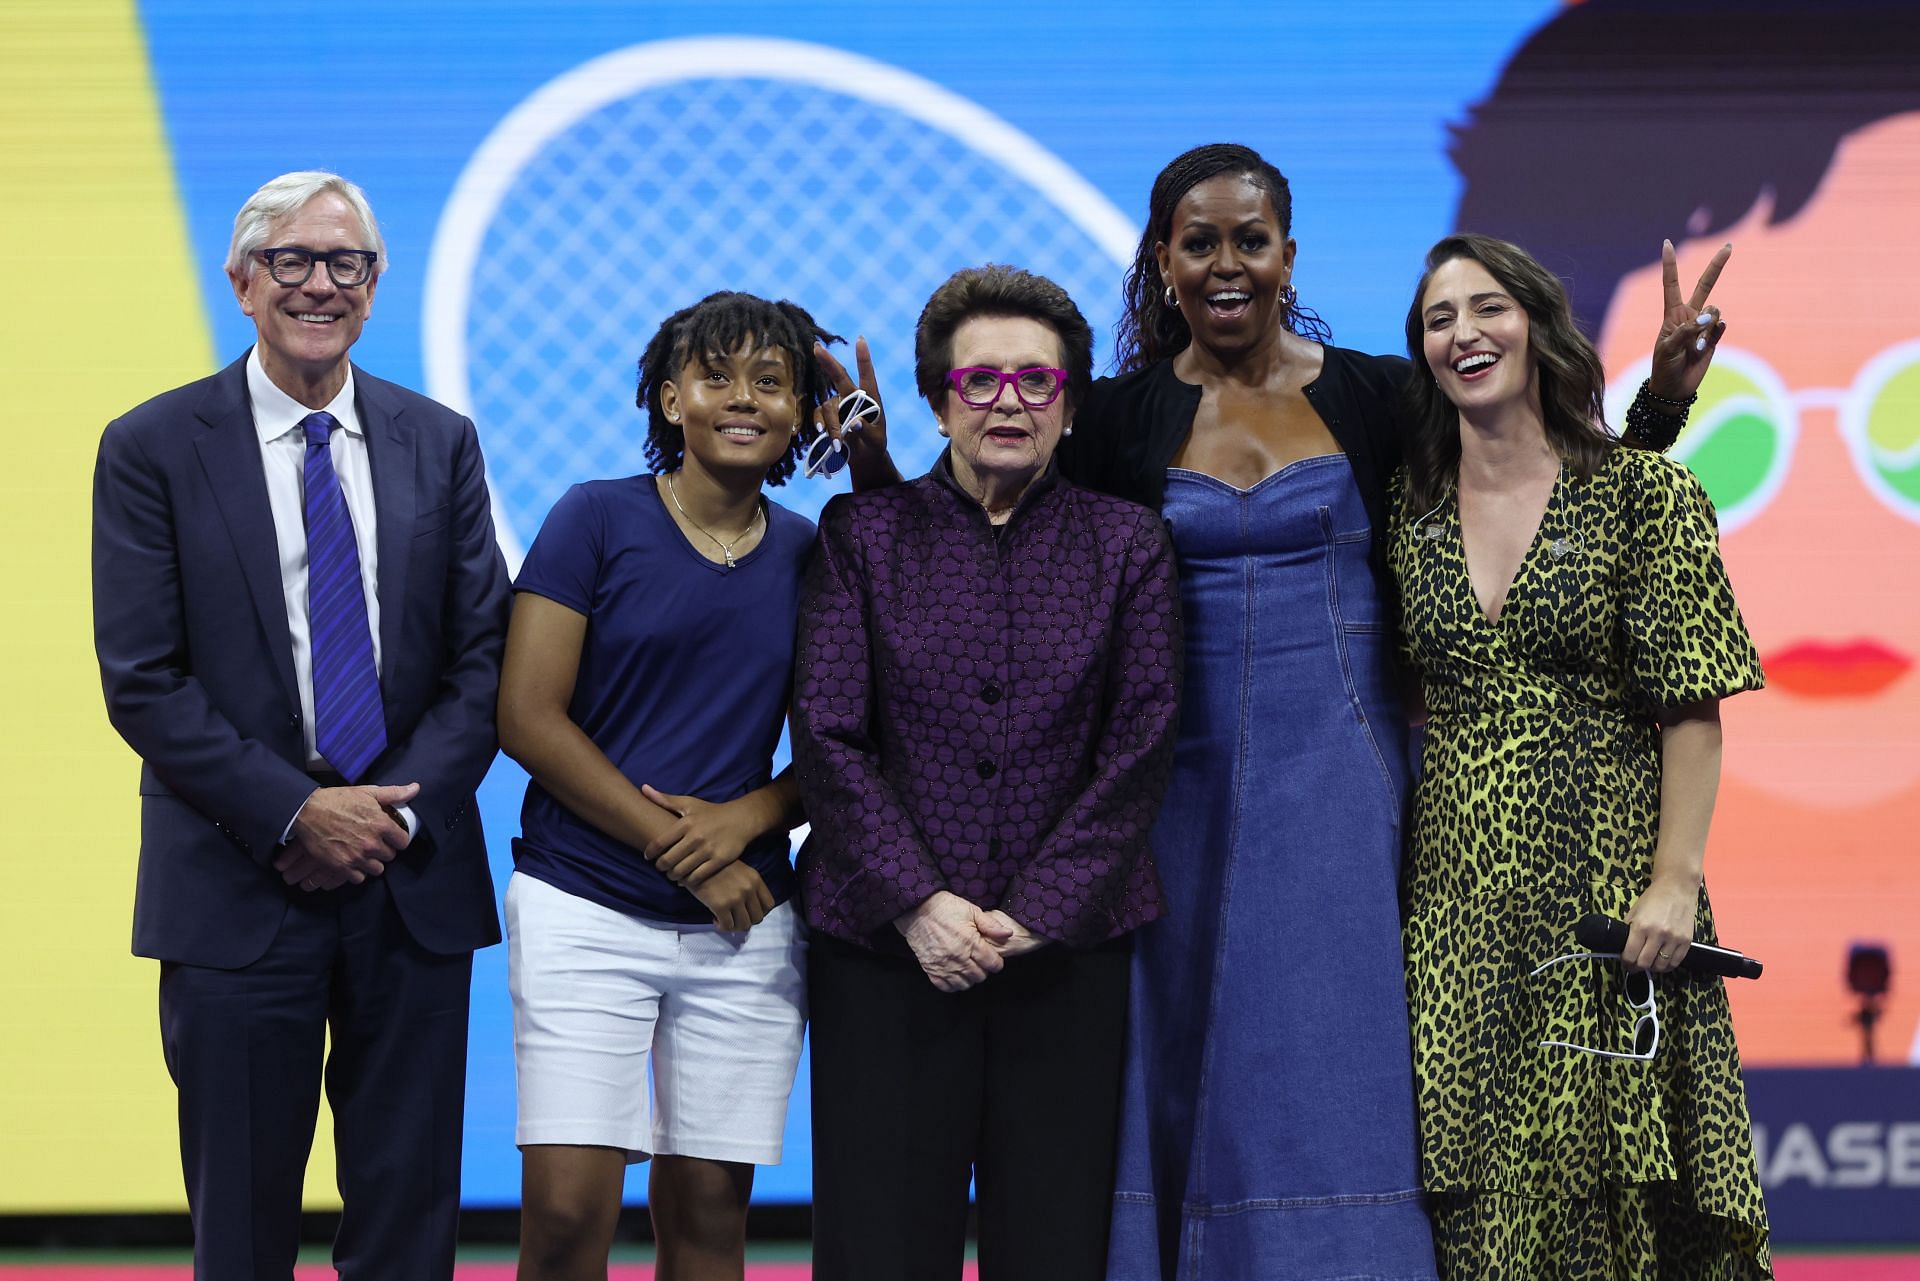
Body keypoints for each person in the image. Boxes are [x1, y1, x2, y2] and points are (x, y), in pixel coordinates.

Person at [821, 143, 1725, 1280]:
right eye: (1199, 242)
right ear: (1163, 261)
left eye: (1251, 239)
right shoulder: (1114, 414)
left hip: (1343, 780)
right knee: (1183, 1052)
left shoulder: (1373, 394)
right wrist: (875, 472)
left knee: (1331, 1051)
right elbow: (994, 542)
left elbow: (1539, 485)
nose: (1227, 262)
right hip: (1161, 783)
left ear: (1290, 254)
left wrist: (1662, 405)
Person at [1449, 0, 1920, 1065]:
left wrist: (1672, 877)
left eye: (1907, 424)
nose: (1837, 530)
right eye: (1746, 435)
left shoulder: (1640, 501)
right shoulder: (1429, 514)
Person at [91, 171, 511, 1280]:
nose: (321, 284)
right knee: (240, 1222)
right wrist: (296, 812)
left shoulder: (441, 441)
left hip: (409, 884)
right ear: (242, 282)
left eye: (347, 265)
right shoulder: (152, 446)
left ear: (375, 288)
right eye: (294, 261)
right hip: (236, 883)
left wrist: (385, 821)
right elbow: (143, 680)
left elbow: (484, 662)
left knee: (409, 1220)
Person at [1390, 232, 1769, 1276]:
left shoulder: (1644, 496)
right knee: (1480, 1199)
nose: (1464, 332)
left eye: (1488, 308)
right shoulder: (1401, 509)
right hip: (1456, 905)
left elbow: (1692, 708)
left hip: (1611, 890)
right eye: (1437, 318)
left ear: (1538, 327)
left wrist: (1674, 884)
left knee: (1623, 1194)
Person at [794, 264, 1182, 1281]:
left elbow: (1142, 738)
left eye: (1036, 382)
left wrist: (1043, 909)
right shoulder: (861, 535)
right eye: (980, 382)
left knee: (1053, 1247)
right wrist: (921, 906)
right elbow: (828, 737)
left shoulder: (1127, 542)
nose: (1008, 401)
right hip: (884, 951)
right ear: (936, 401)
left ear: (1069, 404)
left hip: (1065, 954)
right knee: (880, 1245)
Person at [495, 292, 835, 1281]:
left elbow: (847, 743)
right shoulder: (595, 517)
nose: (743, 399)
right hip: (584, 903)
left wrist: (747, 820)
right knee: (564, 1217)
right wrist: (680, 849)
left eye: (773, 382)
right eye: (716, 376)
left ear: (803, 410)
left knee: (708, 1222)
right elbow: (526, 716)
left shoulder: (815, 553)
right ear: (667, 396)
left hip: (744, 916)